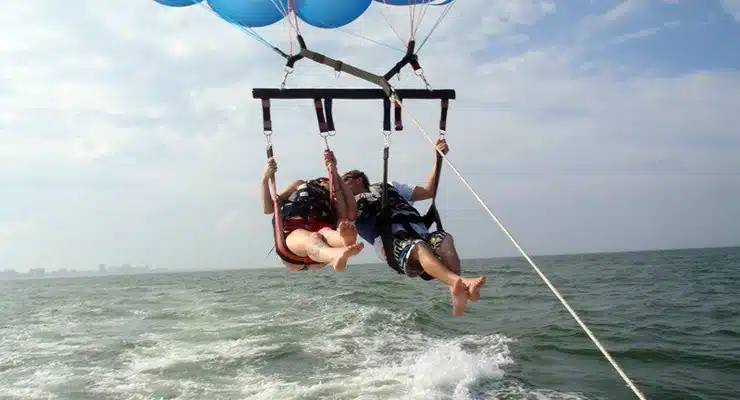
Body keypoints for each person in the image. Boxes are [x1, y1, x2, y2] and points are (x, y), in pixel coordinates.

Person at [342, 138, 485, 316]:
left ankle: (456, 293)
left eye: (344, 181)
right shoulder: (347, 207)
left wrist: (438, 159)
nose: (342, 187)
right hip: (391, 244)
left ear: (358, 179)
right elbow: (344, 233)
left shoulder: (390, 186)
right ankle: (461, 282)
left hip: (419, 233)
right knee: (419, 246)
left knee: (445, 239)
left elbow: (428, 191)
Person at [261, 149, 364, 272]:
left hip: (319, 243)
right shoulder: (298, 184)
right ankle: (335, 254)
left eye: (328, 181)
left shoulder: (334, 195)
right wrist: (265, 178)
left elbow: (349, 211)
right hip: (294, 238)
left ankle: (343, 240)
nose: (324, 181)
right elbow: (268, 209)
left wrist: (334, 171)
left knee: (325, 232)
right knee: (313, 237)